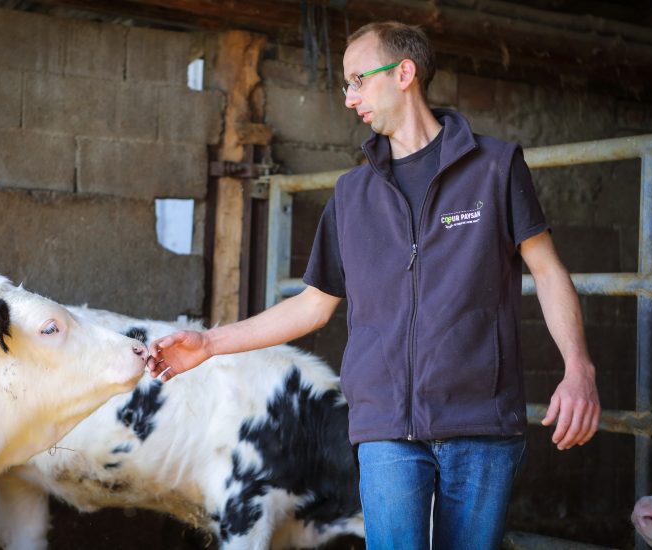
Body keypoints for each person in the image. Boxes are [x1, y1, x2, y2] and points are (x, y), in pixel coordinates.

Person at [146, 21, 600, 550]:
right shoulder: (352, 194)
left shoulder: (495, 167)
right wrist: (210, 343)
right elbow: (313, 305)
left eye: (358, 79)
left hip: (480, 420)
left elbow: (547, 271)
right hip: (384, 425)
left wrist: (578, 368)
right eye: (346, 85)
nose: (349, 97)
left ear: (404, 73)